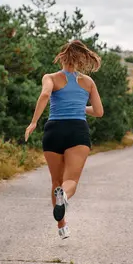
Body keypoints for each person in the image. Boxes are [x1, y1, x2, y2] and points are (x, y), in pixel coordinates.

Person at [25, 40, 104, 240]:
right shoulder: (88, 82)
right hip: (77, 130)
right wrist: (79, 107)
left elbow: (44, 95)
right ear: (81, 60)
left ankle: (61, 226)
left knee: (56, 181)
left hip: (54, 130)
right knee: (70, 181)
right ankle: (65, 196)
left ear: (61, 57)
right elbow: (99, 112)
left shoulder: (50, 77)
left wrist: (33, 122)